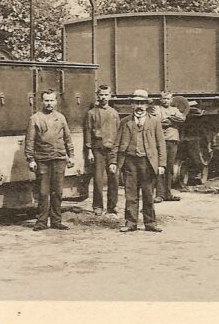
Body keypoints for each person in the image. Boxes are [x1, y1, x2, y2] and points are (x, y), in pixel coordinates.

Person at [109, 89, 166, 233]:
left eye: (142, 103)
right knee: (131, 194)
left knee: (148, 193)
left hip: (148, 163)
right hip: (130, 162)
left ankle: (150, 222)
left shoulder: (154, 122)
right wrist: (113, 161)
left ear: (147, 105)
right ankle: (130, 222)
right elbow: (117, 142)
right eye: (136, 103)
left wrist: (161, 164)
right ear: (132, 105)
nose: (139, 106)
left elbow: (161, 144)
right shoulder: (125, 122)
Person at [24, 88, 75, 230]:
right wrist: (31, 159)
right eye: (46, 100)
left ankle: (56, 221)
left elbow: (67, 139)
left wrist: (71, 156)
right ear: (41, 101)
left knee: (57, 191)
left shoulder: (61, 117)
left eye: (52, 100)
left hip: (59, 159)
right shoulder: (35, 118)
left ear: (56, 101)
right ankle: (41, 222)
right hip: (42, 160)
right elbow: (30, 141)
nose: (49, 103)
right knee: (43, 192)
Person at [83, 84, 120, 216]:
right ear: (97, 96)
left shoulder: (114, 113)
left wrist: (117, 152)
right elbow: (87, 132)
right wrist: (89, 150)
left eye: (106, 95)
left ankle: (112, 206)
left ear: (110, 96)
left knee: (114, 179)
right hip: (98, 149)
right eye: (101, 95)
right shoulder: (91, 113)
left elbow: (118, 133)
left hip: (112, 151)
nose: (103, 97)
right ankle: (97, 206)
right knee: (98, 179)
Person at [151, 91, 186, 202]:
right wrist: (171, 121)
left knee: (169, 167)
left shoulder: (175, 110)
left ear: (171, 100)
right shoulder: (156, 109)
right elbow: (156, 121)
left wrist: (169, 119)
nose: (165, 100)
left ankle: (168, 193)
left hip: (172, 140)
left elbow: (182, 118)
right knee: (160, 166)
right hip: (160, 140)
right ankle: (160, 194)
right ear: (160, 99)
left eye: (168, 99)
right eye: (163, 98)